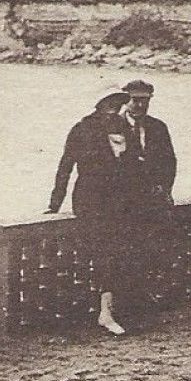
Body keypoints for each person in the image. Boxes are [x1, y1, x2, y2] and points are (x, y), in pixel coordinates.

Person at [47, 91, 133, 335]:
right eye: (110, 104)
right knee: (100, 251)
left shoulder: (123, 128)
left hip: (118, 200)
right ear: (100, 105)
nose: (114, 109)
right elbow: (65, 166)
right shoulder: (82, 129)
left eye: (118, 104)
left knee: (116, 252)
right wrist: (55, 203)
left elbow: (133, 165)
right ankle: (103, 312)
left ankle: (108, 310)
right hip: (91, 198)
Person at [118, 79, 177, 301]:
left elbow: (169, 161)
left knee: (151, 248)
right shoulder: (114, 126)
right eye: (135, 100)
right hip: (124, 201)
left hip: (151, 201)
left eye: (145, 101)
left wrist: (165, 188)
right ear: (126, 100)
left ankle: (147, 293)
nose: (140, 106)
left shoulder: (158, 127)